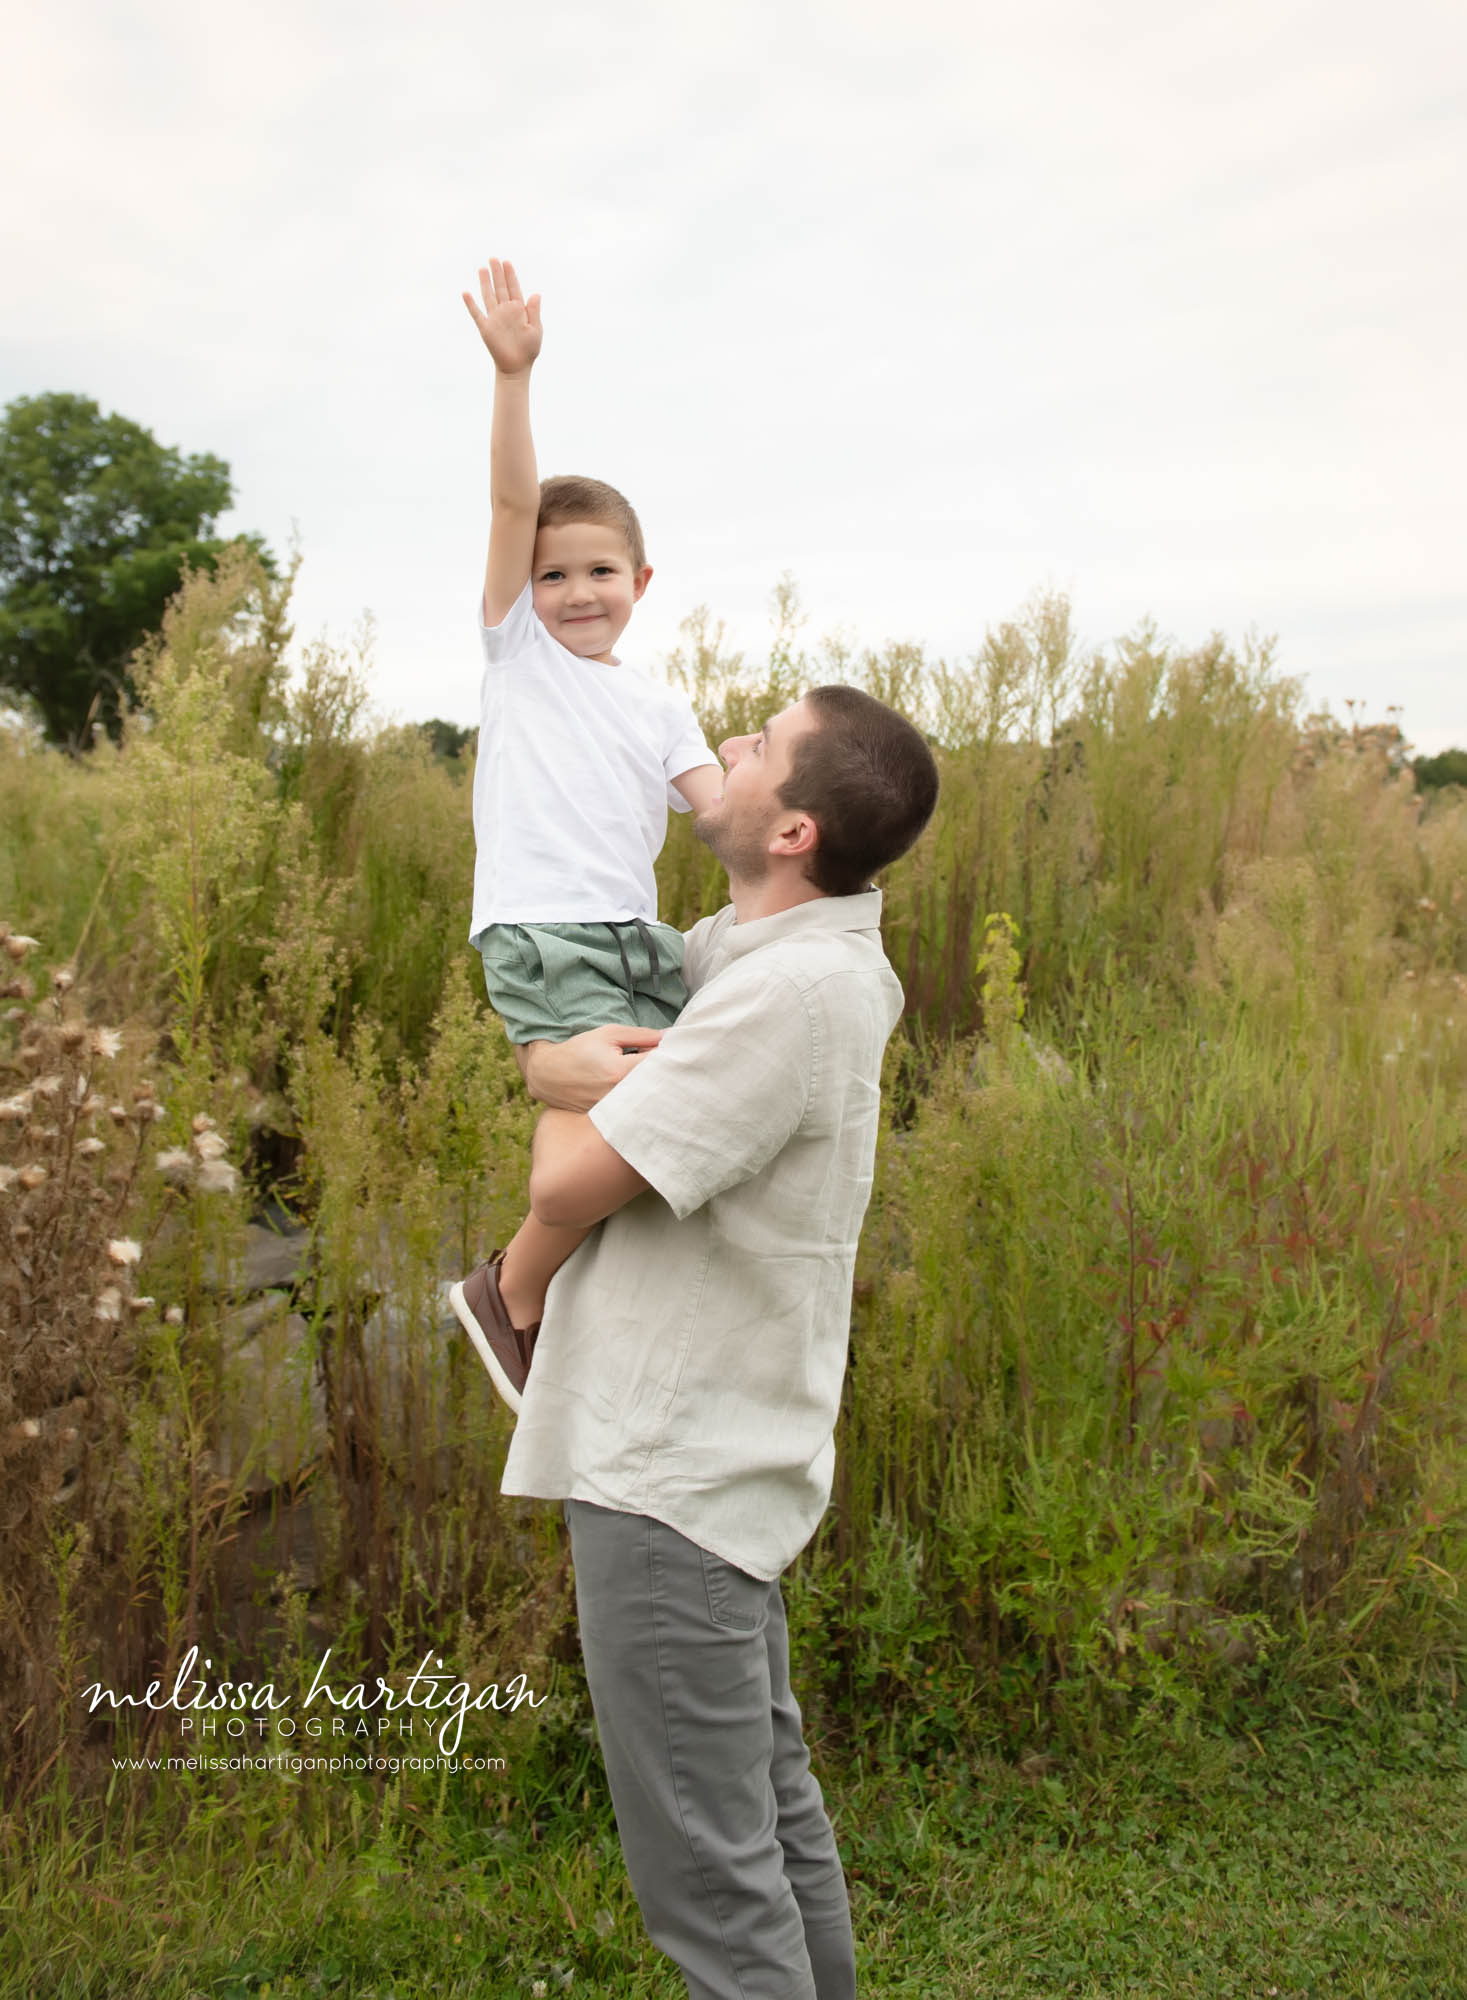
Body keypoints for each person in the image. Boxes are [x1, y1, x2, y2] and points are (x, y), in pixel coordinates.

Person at [502, 684, 940, 1999]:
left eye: (752, 747)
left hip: (668, 1475)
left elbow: (570, 1184)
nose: (722, 752)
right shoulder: (765, 959)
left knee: (708, 1878)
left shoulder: (792, 996)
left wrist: (554, 1074)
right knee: (763, 1822)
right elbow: (622, 966)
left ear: (792, 828)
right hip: (710, 1462)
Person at [449, 257, 722, 1412]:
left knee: (666, 1127)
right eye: (553, 573)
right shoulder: (521, 661)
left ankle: (575, 1307)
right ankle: (511, 1293)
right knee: (593, 1141)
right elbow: (515, 504)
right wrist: (515, 376)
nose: (574, 591)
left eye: (599, 570)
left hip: (632, 937)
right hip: (543, 929)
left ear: (641, 579)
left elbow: (722, 813)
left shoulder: (658, 702)